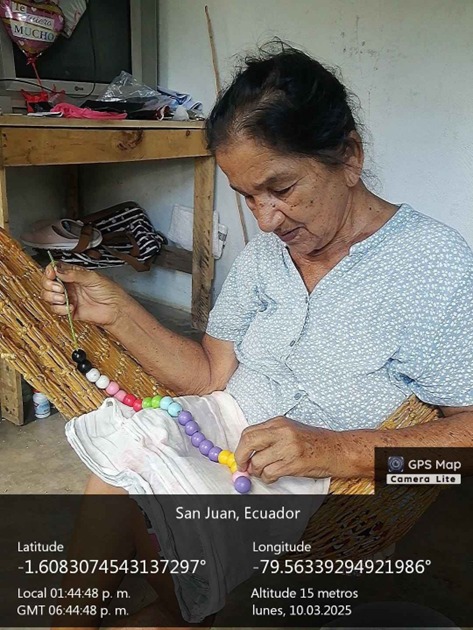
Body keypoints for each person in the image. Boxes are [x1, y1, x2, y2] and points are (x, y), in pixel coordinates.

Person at [41, 42, 473, 628]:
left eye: (281, 189)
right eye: (247, 196)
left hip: (304, 478)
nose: (265, 220)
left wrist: (331, 450)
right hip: (220, 427)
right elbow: (208, 375)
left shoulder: (433, 263)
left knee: (178, 551)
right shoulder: (267, 255)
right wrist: (118, 311)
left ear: (348, 157)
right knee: (131, 440)